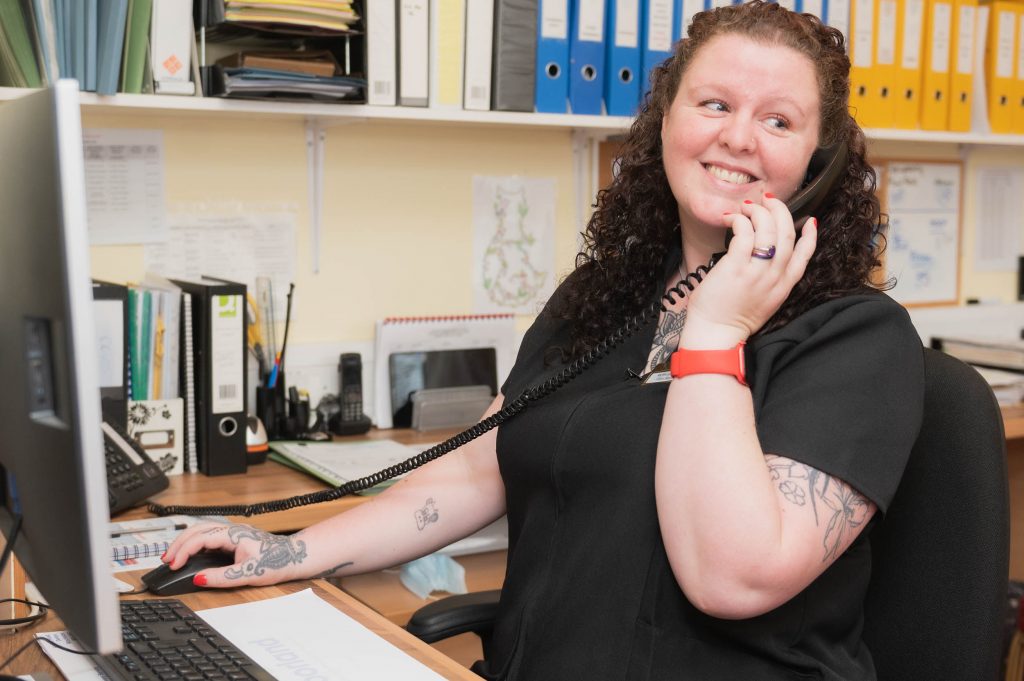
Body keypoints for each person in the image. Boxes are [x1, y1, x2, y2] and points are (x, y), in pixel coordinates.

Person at [164, 3, 925, 678]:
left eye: (779, 120)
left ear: (819, 163)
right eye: (715, 103)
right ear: (667, 119)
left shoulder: (855, 338)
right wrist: (289, 551)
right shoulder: (602, 300)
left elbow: (734, 578)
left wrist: (718, 332)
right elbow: (470, 475)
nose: (737, 137)